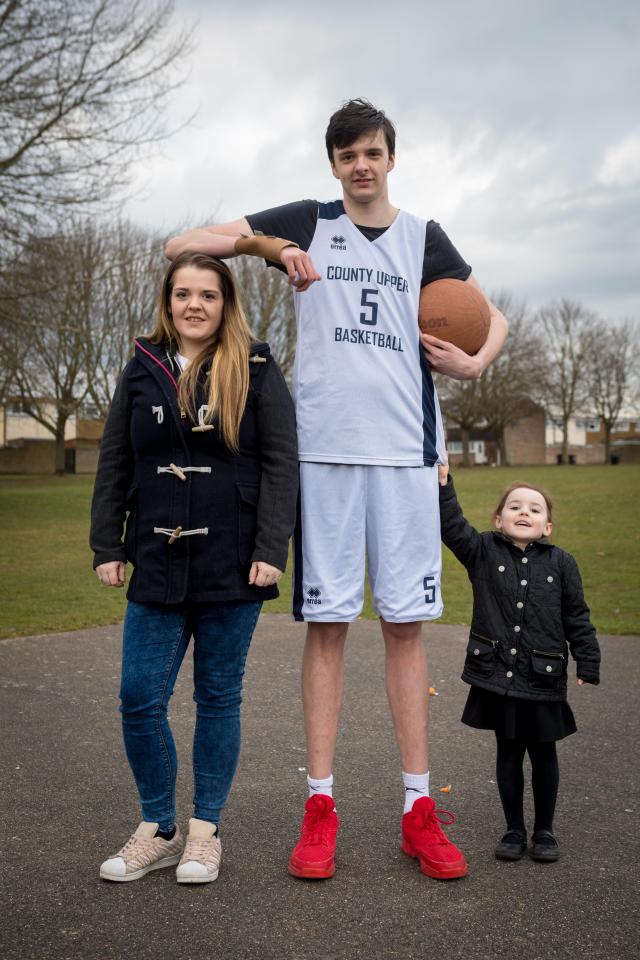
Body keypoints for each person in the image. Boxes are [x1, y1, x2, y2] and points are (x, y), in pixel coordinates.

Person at [165, 99, 509, 881]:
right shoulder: (310, 221)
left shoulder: (425, 236)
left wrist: (475, 361)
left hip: (406, 456)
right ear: (333, 163)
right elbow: (182, 243)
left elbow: (498, 319)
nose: (361, 165)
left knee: (404, 628)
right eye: (348, 154)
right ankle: (319, 806)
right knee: (327, 626)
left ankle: (418, 809)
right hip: (320, 455)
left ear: (391, 158)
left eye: (373, 152)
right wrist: (268, 243)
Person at [90, 251, 298, 883]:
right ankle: (158, 826)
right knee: (137, 696)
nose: (195, 305)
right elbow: (115, 464)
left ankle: (205, 832)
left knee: (217, 696)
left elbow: (282, 465)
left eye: (208, 294)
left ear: (225, 303)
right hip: (155, 557)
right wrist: (107, 544)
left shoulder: (257, 367)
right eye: (184, 293)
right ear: (168, 301)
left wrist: (270, 548)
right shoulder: (139, 369)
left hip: (233, 562)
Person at [438, 464, 600, 861]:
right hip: (497, 675)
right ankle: (513, 829)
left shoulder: (562, 564)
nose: (524, 513)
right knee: (508, 752)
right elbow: (452, 526)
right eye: (514, 507)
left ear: (547, 526)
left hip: (541, 678)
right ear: (498, 519)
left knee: (544, 752)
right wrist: (444, 486)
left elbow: (577, 615)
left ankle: (544, 831)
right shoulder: (482, 552)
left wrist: (588, 659)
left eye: (534, 509)